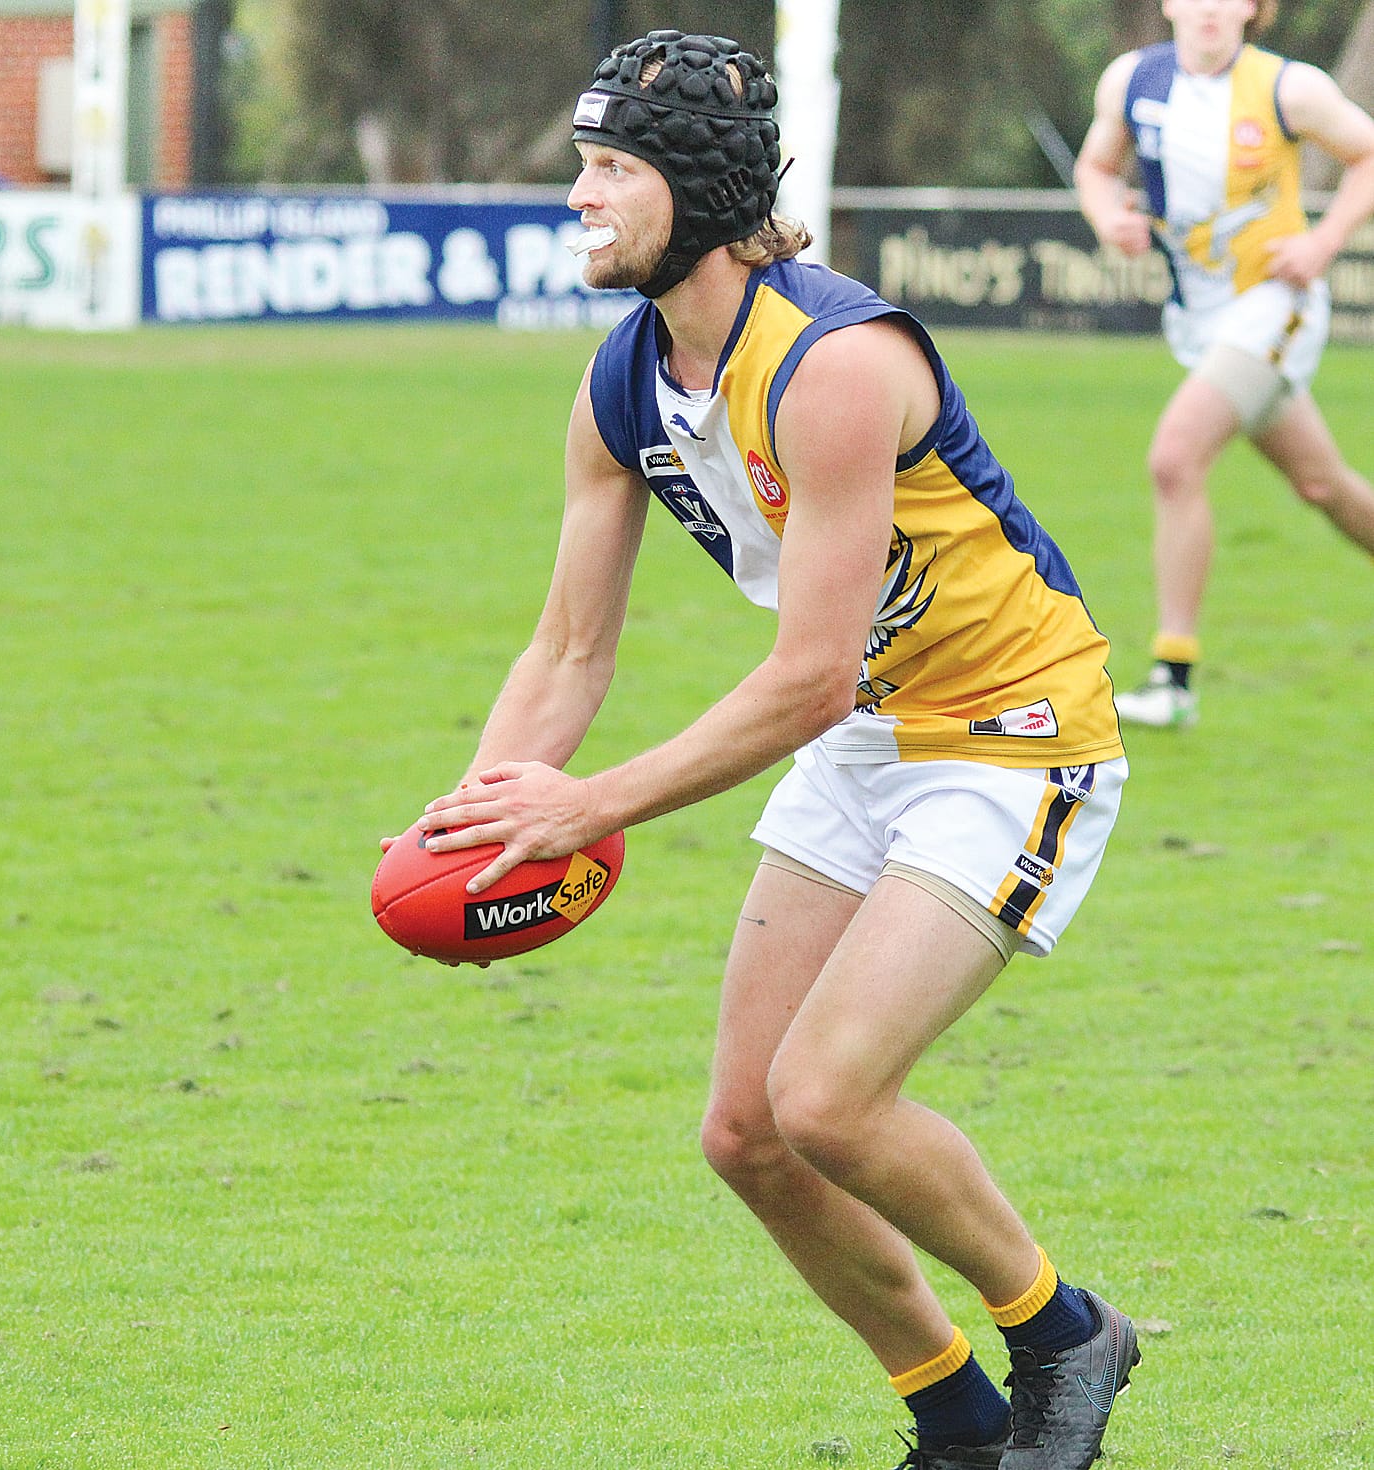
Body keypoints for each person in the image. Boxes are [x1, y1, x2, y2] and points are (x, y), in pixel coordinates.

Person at [399, 31, 1138, 1470]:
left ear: (693, 186)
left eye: (610, 169)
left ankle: (1064, 1334)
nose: (580, 199)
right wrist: (485, 811)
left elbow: (801, 679)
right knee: (747, 1131)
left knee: (827, 1098)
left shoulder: (834, 361)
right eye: (584, 167)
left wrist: (592, 803)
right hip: (871, 738)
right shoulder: (621, 388)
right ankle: (958, 1419)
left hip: (1011, 736)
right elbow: (567, 652)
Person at [1073, 0, 1374, 729]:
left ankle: (1173, 678)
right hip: (1199, 320)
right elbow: (1095, 166)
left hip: (1276, 306)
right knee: (1322, 484)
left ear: (1253, 9)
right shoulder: (1130, 79)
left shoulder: (1288, 88)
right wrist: (1108, 216)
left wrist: (1324, 241)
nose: (1210, 7)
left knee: (1175, 458)